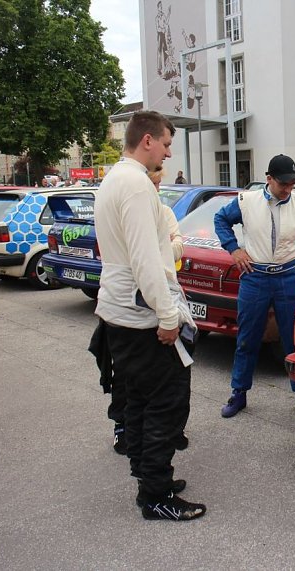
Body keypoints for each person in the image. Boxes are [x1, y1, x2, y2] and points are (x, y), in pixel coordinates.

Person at [93, 110, 205, 521]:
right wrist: (167, 315)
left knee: (139, 400)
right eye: (166, 143)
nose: (169, 152)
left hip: (118, 313)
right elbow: (146, 260)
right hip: (141, 316)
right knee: (166, 403)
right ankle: (155, 495)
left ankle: (148, 477)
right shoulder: (137, 185)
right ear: (147, 141)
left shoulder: (114, 179)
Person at [214, 154, 295, 420]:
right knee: (247, 339)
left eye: (292, 183)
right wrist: (234, 249)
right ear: (269, 179)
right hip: (255, 277)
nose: (288, 189)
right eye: (283, 184)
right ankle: (238, 393)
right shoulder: (246, 201)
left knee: (294, 341)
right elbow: (220, 220)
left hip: (288, 278)